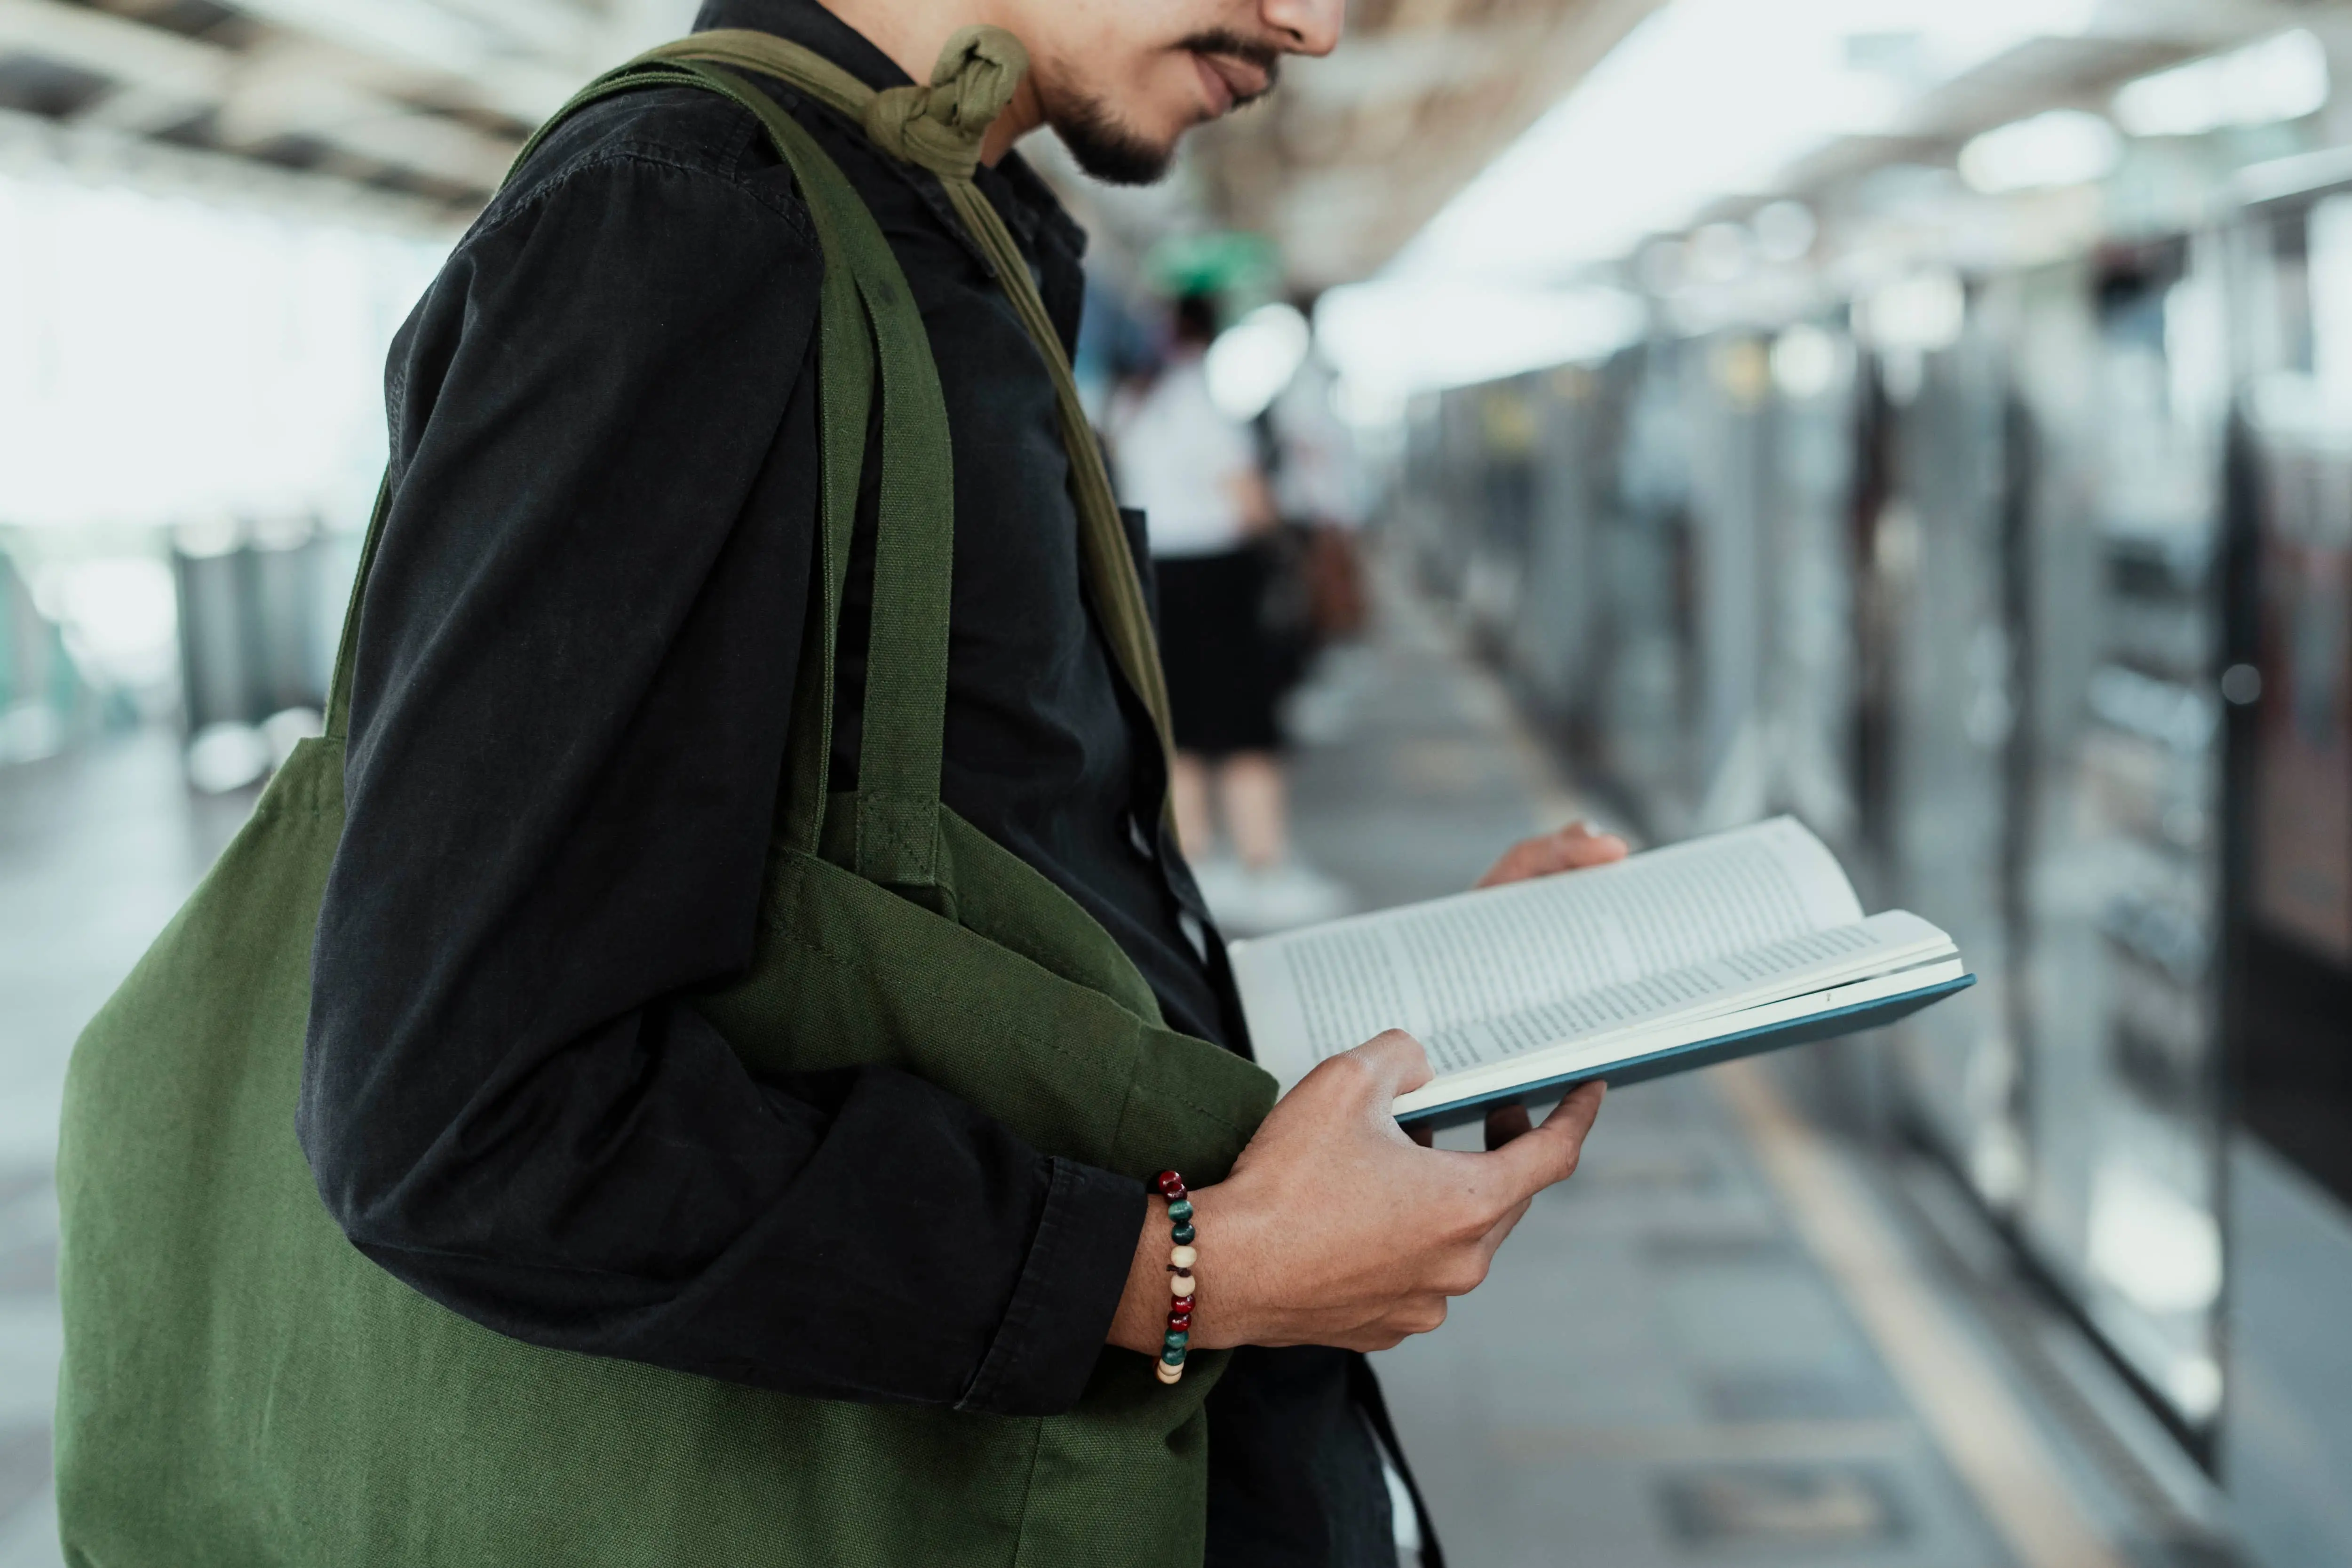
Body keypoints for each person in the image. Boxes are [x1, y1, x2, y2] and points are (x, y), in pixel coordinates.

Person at [298, 0, 1629, 1560]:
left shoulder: (923, 232)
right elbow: (462, 1115)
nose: (1316, 27)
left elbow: (959, 918)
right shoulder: (685, 222)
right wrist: (1186, 1275)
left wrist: (1416, 998)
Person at [1113, 292, 1349, 932]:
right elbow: (1246, 500)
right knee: (1247, 730)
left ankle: (1199, 866)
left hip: (1157, 574)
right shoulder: (1196, 398)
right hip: (1217, 581)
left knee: (1182, 727)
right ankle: (1264, 868)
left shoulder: (1135, 399)